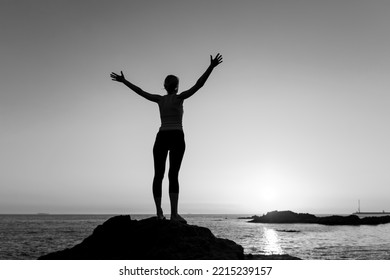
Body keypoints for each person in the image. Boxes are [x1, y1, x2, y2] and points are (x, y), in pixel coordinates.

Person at [110, 53, 223, 223]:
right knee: (173, 175)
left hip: (162, 136)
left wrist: (124, 81)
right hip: (177, 135)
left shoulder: (159, 99)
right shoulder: (179, 98)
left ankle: (159, 212)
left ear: (165, 86)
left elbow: (140, 92)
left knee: (158, 175)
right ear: (176, 86)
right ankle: (174, 214)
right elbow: (199, 85)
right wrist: (211, 67)